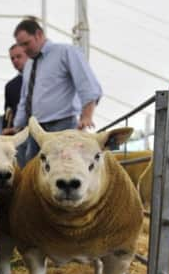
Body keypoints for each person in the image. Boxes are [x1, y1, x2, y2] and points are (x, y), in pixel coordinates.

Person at [13, 18, 102, 165]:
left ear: (39, 34)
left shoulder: (66, 52)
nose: (23, 49)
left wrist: (87, 116)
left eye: (26, 43)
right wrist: (18, 125)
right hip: (35, 129)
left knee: (61, 168)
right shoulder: (29, 64)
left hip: (62, 125)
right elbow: (25, 97)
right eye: (20, 45)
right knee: (32, 171)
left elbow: (87, 83)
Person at [2, 44, 28, 133]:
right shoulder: (10, 86)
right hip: (18, 134)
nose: (15, 60)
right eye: (12, 58)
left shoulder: (41, 79)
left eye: (19, 56)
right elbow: (8, 113)